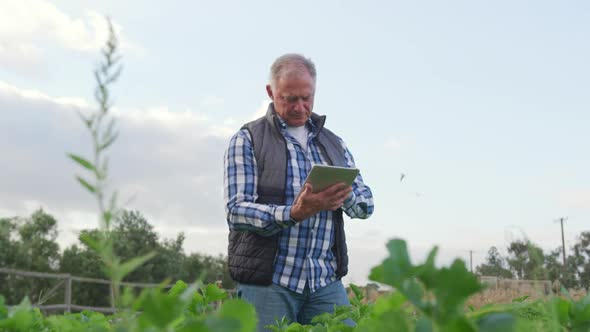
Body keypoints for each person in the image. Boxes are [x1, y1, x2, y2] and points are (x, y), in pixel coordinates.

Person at [223, 53, 374, 331]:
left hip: (324, 281)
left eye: (306, 98)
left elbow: (366, 204)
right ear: (271, 92)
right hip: (269, 282)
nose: (300, 107)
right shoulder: (248, 140)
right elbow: (237, 210)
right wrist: (293, 212)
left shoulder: (334, 144)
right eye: (290, 99)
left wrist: (344, 194)